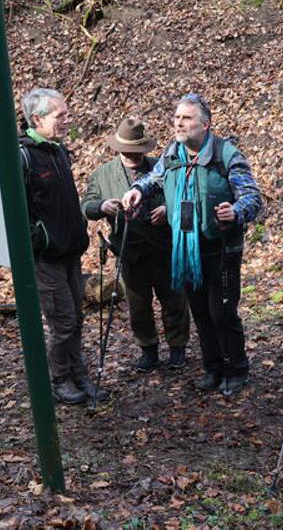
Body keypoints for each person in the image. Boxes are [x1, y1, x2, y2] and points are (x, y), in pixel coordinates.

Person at [121, 94, 263, 396]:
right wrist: (136, 190)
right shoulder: (172, 153)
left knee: (222, 311)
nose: (178, 123)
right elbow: (153, 179)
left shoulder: (227, 155)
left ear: (205, 125)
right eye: (176, 118)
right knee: (200, 311)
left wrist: (235, 211)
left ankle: (236, 369)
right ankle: (213, 369)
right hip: (186, 248)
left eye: (186, 118)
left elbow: (252, 197)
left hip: (220, 247)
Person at [82, 116, 191, 373]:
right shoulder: (103, 175)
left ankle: (178, 348)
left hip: (165, 247)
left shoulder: (160, 168)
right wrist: (102, 206)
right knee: (138, 306)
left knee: (174, 299)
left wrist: (167, 208)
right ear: (117, 150)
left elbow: (181, 195)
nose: (134, 156)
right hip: (129, 252)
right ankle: (148, 350)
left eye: (138, 152)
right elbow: (86, 206)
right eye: (128, 152)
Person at [19, 88, 107, 405]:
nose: (67, 121)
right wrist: (40, 241)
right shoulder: (23, 156)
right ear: (38, 119)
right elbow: (16, 211)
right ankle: (59, 379)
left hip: (70, 252)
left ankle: (78, 374)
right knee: (63, 322)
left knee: (76, 319)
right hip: (47, 258)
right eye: (61, 116)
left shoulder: (58, 150)